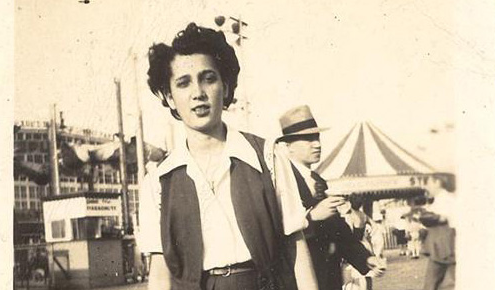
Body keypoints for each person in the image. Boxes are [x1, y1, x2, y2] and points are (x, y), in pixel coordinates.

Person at [140, 23, 298, 290]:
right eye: (183, 83)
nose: (198, 93)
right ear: (169, 97)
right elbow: (160, 273)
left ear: (225, 87)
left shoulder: (268, 157)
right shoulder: (158, 182)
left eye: (208, 78)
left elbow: (298, 250)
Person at [276, 105, 385, 290]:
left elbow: (337, 230)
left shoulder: (318, 181)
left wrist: (365, 259)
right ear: (288, 146)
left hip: (329, 278)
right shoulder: (280, 182)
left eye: (317, 137)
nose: (317, 144)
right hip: (300, 280)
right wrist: (311, 218)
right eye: (308, 139)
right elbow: (276, 232)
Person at [420, 175, 457, 290]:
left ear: (437, 182)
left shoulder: (445, 199)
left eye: (428, 182)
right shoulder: (440, 199)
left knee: (432, 285)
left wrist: (433, 218)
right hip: (442, 246)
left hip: (444, 246)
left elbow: (444, 219)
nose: (426, 187)